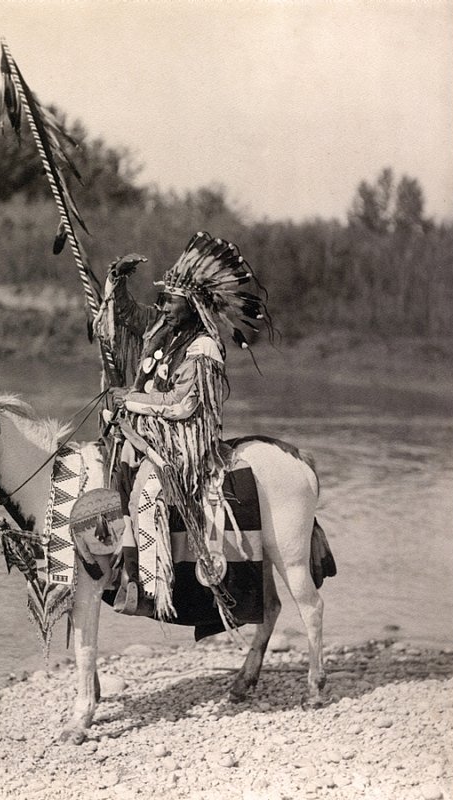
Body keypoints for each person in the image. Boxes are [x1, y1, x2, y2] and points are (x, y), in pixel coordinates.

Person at [96, 231, 270, 618]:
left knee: (147, 494)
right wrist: (116, 280)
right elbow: (125, 315)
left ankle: (152, 587)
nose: (164, 306)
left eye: (171, 300)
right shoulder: (164, 329)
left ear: (192, 304)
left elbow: (182, 405)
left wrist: (131, 400)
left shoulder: (203, 347)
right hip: (147, 432)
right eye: (163, 299)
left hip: (184, 441)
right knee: (110, 470)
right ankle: (124, 569)